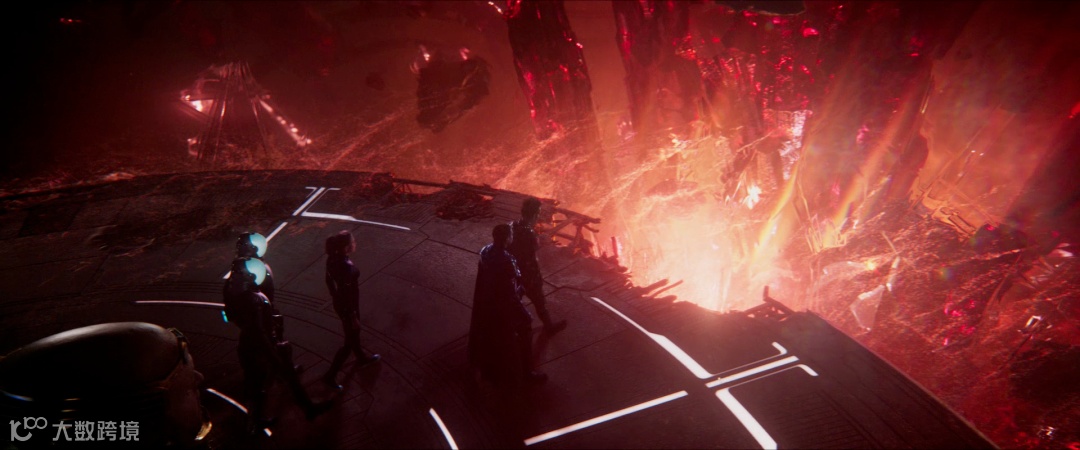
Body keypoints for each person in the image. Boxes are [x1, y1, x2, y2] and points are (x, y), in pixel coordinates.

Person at [224, 257, 330, 430]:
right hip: (261, 349)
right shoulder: (254, 300)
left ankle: (306, 409)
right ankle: (255, 422)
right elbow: (259, 332)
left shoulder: (239, 295)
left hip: (254, 347)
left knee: (271, 381)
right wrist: (274, 356)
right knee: (261, 385)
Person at [469, 223, 546, 385]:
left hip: (488, 303)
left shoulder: (485, 252)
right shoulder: (507, 261)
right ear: (507, 239)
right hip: (503, 305)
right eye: (511, 235)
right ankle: (527, 372)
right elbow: (510, 292)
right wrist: (522, 308)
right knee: (526, 325)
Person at [322, 230, 381, 390]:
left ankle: (361, 357)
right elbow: (347, 293)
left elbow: (329, 281)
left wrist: (335, 296)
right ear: (347, 247)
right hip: (349, 307)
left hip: (340, 303)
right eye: (353, 242)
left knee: (354, 335)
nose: (355, 243)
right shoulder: (345, 267)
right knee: (349, 341)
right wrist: (352, 315)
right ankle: (330, 376)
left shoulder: (332, 259)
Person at [509, 197, 568, 334]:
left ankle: (509, 330)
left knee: (514, 301)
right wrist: (542, 241)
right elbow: (533, 248)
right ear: (535, 214)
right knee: (539, 302)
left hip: (514, 272)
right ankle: (549, 327)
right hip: (529, 274)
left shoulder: (512, 226)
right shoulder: (528, 233)